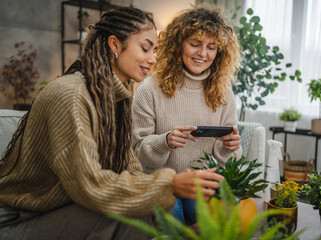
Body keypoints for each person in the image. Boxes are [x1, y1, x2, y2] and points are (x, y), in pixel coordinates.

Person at [0, 7, 223, 240]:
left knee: (154, 205)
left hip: (62, 208)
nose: (153, 59)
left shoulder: (114, 98)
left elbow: (130, 166)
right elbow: (89, 185)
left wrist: (170, 188)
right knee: (140, 212)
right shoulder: (72, 95)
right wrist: (169, 185)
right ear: (115, 44)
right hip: (22, 218)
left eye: (154, 50)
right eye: (145, 48)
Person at [132, 7, 242, 226]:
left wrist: (230, 146)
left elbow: (230, 161)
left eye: (211, 47)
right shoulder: (149, 89)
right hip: (161, 183)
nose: (203, 54)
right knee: (176, 228)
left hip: (200, 185)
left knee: (214, 227)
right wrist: (165, 141)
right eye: (195, 44)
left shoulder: (223, 92)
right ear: (178, 43)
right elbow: (137, 153)